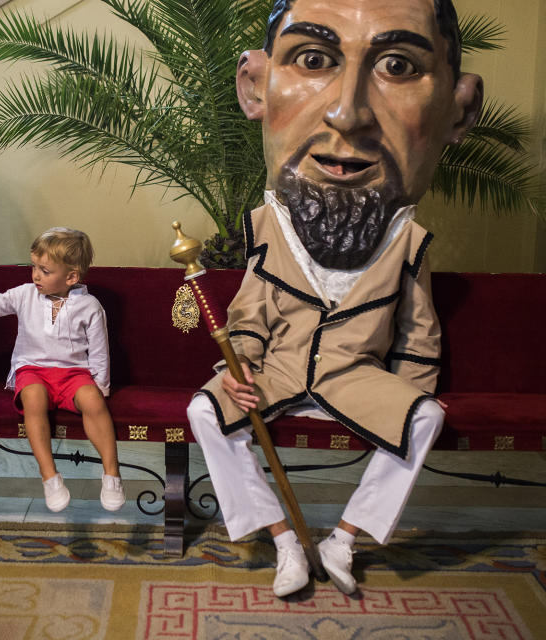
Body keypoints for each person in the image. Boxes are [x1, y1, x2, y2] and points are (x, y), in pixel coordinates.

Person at [186, 0, 483, 597]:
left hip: (354, 375)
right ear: (256, 87)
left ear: (460, 108)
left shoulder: (410, 244)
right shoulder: (266, 229)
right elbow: (246, 314)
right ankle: (283, 540)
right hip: (277, 371)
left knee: (425, 417)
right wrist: (237, 367)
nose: (348, 114)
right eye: (314, 58)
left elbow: (418, 331)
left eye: (398, 65)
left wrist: (405, 394)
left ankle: (344, 537)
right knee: (202, 410)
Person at [0, 228, 125, 513]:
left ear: (71, 277)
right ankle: (50, 477)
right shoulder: (25, 294)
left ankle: (112, 475)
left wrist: (100, 387)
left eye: (44, 270)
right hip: (33, 370)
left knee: (93, 401)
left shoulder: (90, 306)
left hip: (74, 373)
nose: (36, 275)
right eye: (33, 266)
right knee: (33, 398)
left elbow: (99, 352)